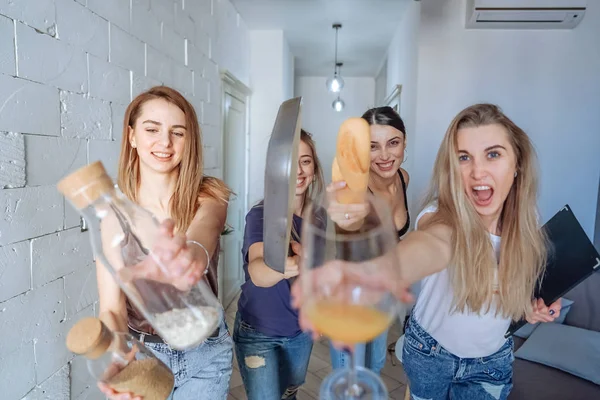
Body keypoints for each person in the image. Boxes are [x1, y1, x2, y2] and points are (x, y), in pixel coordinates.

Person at [293, 103, 561, 400]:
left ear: (517, 163)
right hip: (427, 347)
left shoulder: (528, 223)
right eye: (464, 157)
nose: (478, 171)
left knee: (377, 360)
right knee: (352, 365)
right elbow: (433, 243)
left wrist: (528, 305)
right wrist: (366, 273)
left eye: (493, 154)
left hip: (492, 361)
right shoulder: (440, 215)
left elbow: (510, 288)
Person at [97, 86, 234, 400]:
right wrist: (120, 356)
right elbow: (112, 309)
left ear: (190, 141)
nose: (165, 142)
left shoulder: (210, 194)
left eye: (178, 132)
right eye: (152, 129)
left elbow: (203, 238)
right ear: (132, 137)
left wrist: (187, 256)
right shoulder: (113, 216)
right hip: (146, 355)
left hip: (206, 352)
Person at [233, 130, 325, 400]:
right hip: (258, 332)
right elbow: (257, 270)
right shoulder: (261, 215)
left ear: (315, 169)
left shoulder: (320, 218)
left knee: (290, 392)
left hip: (300, 332)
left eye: (305, 161)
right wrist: (288, 266)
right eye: (290, 161)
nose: (298, 170)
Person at [328, 106, 410, 375]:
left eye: (393, 143)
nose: (385, 156)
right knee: (350, 372)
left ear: (404, 142)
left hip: (382, 291)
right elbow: (347, 219)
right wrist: (343, 214)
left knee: (374, 365)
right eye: (373, 146)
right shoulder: (357, 190)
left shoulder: (402, 178)